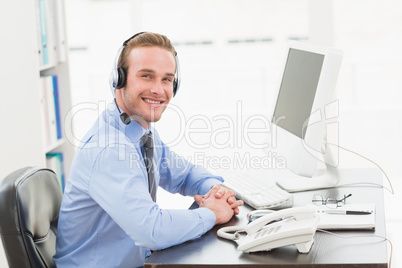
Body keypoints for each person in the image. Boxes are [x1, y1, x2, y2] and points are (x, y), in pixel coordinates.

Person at [54, 32, 244, 267]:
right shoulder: (109, 149)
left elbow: (184, 175)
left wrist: (216, 192)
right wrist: (213, 213)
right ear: (118, 79)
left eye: (166, 79)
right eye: (146, 76)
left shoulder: (139, 131)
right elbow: (152, 230)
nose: (158, 89)